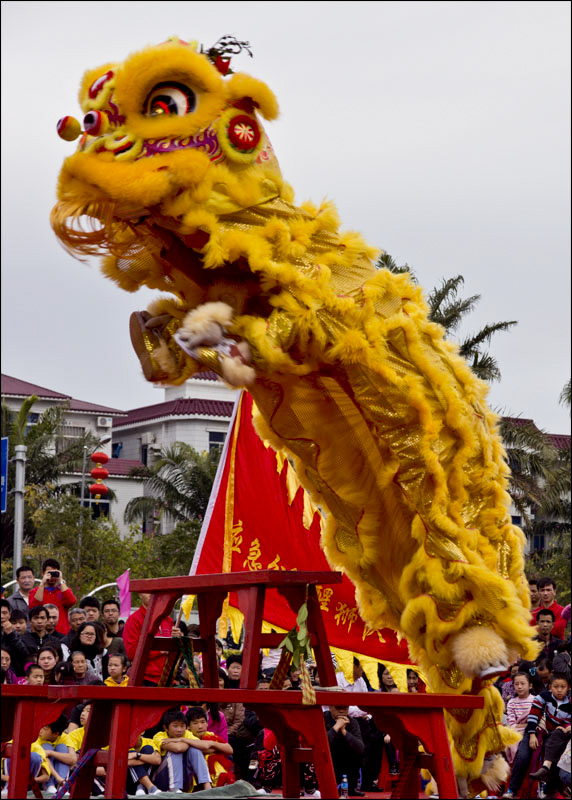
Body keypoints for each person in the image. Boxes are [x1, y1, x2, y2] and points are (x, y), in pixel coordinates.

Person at [502, 671, 571, 798]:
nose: (559, 690)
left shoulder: (569, 703)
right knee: (522, 755)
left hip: (555, 735)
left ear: (568, 688)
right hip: (534, 731)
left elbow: (568, 721)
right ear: (550, 687)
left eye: (563, 687)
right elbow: (533, 716)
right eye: (556, 687)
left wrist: (567, 726)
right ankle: (512, 789)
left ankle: (551, 791)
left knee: (554, 754)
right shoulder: (542, 697)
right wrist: (532, 734)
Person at [123, 593, 182, 686]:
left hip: (167, 678)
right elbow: (131, 653)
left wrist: (178, 640)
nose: (151, 594)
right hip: (144, 679)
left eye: (154, 591)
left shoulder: (168, 620)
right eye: (147, 591)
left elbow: (174, 653)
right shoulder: (134, 620)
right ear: (140, 594)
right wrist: (160, 650)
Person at [151, 709, 213, 792]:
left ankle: (207, 785)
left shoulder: (186, 734)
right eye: (175, 726)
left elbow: (204, 746)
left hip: (184, 781)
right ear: (166, 728)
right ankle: (175, 788)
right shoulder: (159, 736)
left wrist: (181, 739)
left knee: (195, 750)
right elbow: (178, 748)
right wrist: (187, 742)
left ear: (186, 727)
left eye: (182, 726)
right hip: (163, 781)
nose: (179, 730)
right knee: (176, 752)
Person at [187, 706, 235, 786]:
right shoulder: (187, 736)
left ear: (207, 723)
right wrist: (215, 748)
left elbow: (230, 749)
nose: (200, 726)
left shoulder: (209, 735)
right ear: (188, 726)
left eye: (202, 722)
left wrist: (212, 744)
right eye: (195, 723)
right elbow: (203, 749)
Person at [324, 705, 365, 797]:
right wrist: (336, 727)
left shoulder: (353, 722)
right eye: (338, 708)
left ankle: (351, 787)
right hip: (328, 757)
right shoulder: (323, 718)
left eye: (345, 708)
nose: (342, 711)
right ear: (330, 708)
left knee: (356, 751)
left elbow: (361, 748)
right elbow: (322, 743)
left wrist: (344, 731)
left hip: (346, 758)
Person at [28, 560, 76, 635]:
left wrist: (61, 581)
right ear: (43, 573)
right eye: (49, 573)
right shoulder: (35, 591)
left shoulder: (63, 590)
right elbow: (34, 607)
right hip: (41, 634)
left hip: (61, 633)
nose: (52, 577)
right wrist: (42, 584)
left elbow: (71, 602)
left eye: (54, 573)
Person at [34, 715, 78, 795]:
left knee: (62, 747)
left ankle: (61, 787)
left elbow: (73, 759)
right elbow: (44, 759)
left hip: (60, 778)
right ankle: (49, 785)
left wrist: (51, 753)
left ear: (55, 733)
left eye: (45, 728)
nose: (41, 730)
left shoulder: (64, 737)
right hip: (44, 777)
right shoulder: (37, 738)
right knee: (46, 746)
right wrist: (57, 777)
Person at [505, 671, 536, 766]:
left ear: (530, 686)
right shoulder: (511, 702)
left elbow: (538, 721)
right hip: (516, 731)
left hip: (531, 732)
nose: (519, 686)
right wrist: (526, 725)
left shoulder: (535, 700)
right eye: (516, 684)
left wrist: (528, 726)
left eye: (523, 684)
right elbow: (512, 723)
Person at [1, 599, 29, 675]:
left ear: (9, 615)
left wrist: (11, 634)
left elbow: (24, 654)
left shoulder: (15, 633)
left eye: (4, 613)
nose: (2, 616)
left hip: (12, 675)